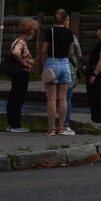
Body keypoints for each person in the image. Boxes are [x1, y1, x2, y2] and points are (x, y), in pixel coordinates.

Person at [38, 8, 76, 136]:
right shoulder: (69, 32)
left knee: (51, 99)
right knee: (63, 98)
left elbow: (44, 50)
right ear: (65, 19)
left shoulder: (50, 31)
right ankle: (61, 128)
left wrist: (41, 64)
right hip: (65, 64)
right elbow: (71, 52)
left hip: (52, 63)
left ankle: (51, 129)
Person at [6, 18, 37, 133]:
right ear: (29, 31)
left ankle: (12, 123)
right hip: (21, 73)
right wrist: (23, 62)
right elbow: (15, 53)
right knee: (18, 97)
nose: (34, 33)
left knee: (14, 96)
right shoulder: (21, 42)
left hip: (18, 73)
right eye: (33, 31)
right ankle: (15, 125)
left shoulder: (17, 41)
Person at [64, 31, 82, 131]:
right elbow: (78, 53)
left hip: (53, 68)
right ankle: (65, 124)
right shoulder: (72, 37)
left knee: (53, 98)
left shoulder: (52, 35)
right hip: (70, 69)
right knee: (67, 98)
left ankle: (52, 126)